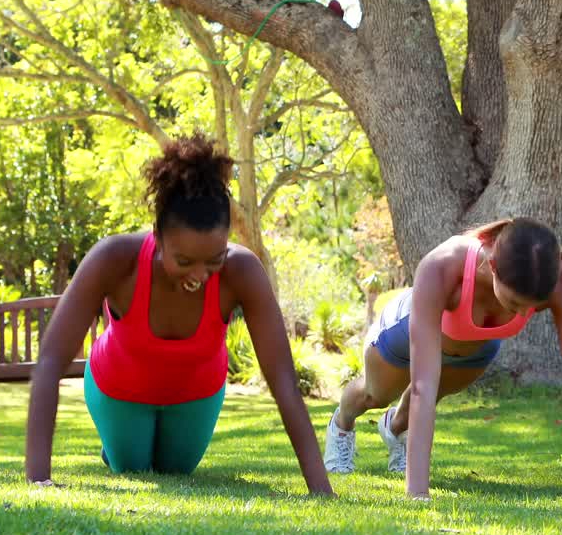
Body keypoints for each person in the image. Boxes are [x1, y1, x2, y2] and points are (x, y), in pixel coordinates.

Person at [25, 134, 333, 496]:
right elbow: (51, 360)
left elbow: (282, 379)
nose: (200, 275)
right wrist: (39, 478)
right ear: (157, 235)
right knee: (134, 466)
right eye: (184, 261)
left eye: (214, 260)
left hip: (195, 393)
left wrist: (320, 490)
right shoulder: (114, 259)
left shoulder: (243, 271)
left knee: (175, 470)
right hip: (120, 387)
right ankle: (116, 444)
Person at [325, 217, 562, 500]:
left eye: (532, 308)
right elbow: (422, 386)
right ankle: (342, 424)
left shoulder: (560, 277)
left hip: (473, 350)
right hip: (402, 332)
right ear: (493, 266)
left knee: (416, 409)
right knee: (375, 395)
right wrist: (418, 492)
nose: (523, 314)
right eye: (514, 303)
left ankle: (394, 428)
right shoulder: (443, 265)